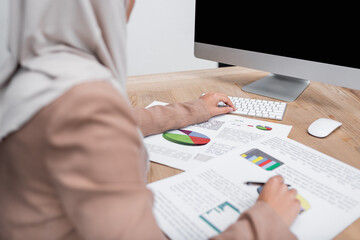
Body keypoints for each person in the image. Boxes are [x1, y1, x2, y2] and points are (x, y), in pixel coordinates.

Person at [0, 0, 300, 239]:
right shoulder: (82, 102)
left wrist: (195, 109)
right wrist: (267, 219)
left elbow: (119, 121)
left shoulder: (30, 75)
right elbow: (91, 120)